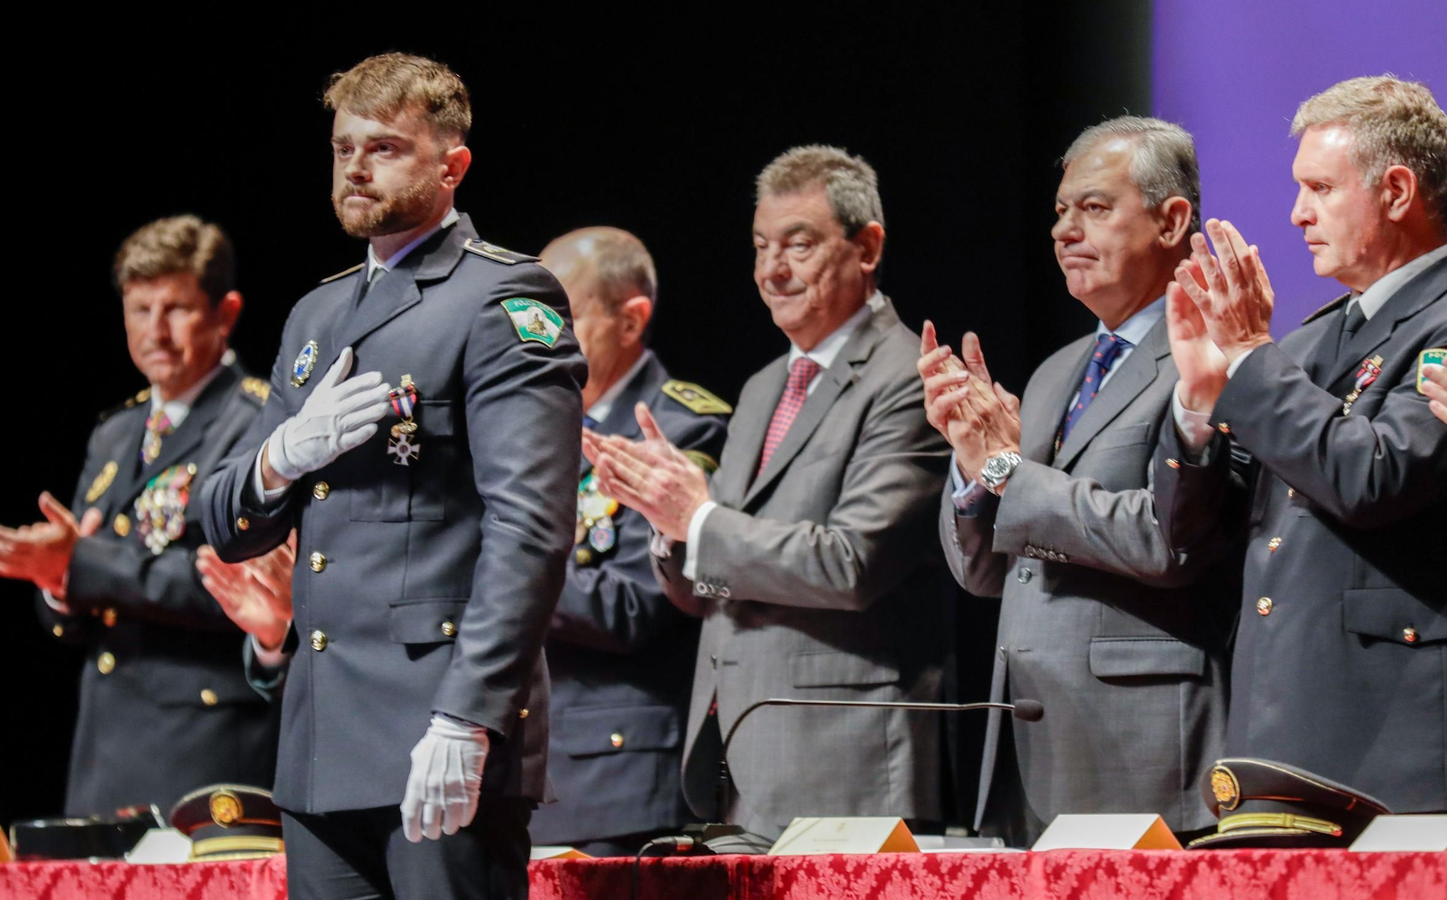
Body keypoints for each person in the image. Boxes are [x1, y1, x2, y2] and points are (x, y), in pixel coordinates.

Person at [197, 53, 586, 900]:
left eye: (385, 148)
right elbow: (226, 522)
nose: (356, 168)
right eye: (342, 149)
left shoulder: (503, 299)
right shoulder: (318, 312)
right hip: (320, 739)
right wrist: (282, 456)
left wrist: (469, 717)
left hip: (433, 725)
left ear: (453, 165)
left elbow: (532, 531)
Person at [585, 146, 951, 841]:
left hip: (847, 764)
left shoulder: (909, 378)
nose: (770, 271)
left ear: (867, 246)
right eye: (759, 247)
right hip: (740, 764)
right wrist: (670, 528)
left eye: (798, 245)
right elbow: (709, 587)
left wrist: (699, 517)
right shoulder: (761, 389)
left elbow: (852, 563)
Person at [922, 117, 1235, 845]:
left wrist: (1008, 472)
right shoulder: (1057, 370)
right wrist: (973, 467)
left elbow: (1169, 540)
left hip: (1146, 749)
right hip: (1031, 739)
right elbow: (984, 573)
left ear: (1171, 220)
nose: (1065, 230)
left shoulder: (1213, 358)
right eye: (1061, 212)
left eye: (1094, 208)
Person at [1155, 75, 1446, 813]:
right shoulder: (1314, 338)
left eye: (1319, 188)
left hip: (1389, 734)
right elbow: (1200, 529)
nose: (1296, 214)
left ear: (1398, 191)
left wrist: (1252, 353)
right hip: (1274, 724)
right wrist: (1198, 406)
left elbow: (1370, 478)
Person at [0, 215, 278, 815]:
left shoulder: (257, 425)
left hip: (204, 742)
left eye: (176, 309)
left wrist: (81, 564)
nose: (156, 332)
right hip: (104, 746)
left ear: (226, 313)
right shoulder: (116, 433)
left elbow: (234, 583)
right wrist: (57, 583)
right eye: (140, 310)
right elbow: (83, 601)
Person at [529, 227, 728, 855]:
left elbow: (641, 605)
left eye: (561, 315)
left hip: (615, 777)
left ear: (631, 319)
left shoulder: (681, 427)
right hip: (514, 772)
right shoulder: (527, 428)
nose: (537, 337)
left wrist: (499, 566)